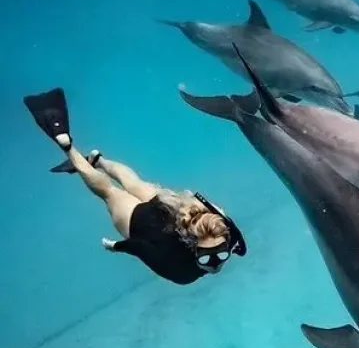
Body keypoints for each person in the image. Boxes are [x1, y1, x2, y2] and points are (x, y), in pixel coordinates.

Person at [23, 87, 247, 285]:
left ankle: (99, 160)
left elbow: (227, 225)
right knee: (108, 192)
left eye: (220, 255)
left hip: (169, 207)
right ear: (194, 249)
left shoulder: (226, 232)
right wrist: (114, 247)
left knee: (133, 182)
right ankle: (68, 147)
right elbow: (140, 247)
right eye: (207, 257)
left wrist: (234, 244)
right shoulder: (182, 274)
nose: (215, 265)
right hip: (139, 222)